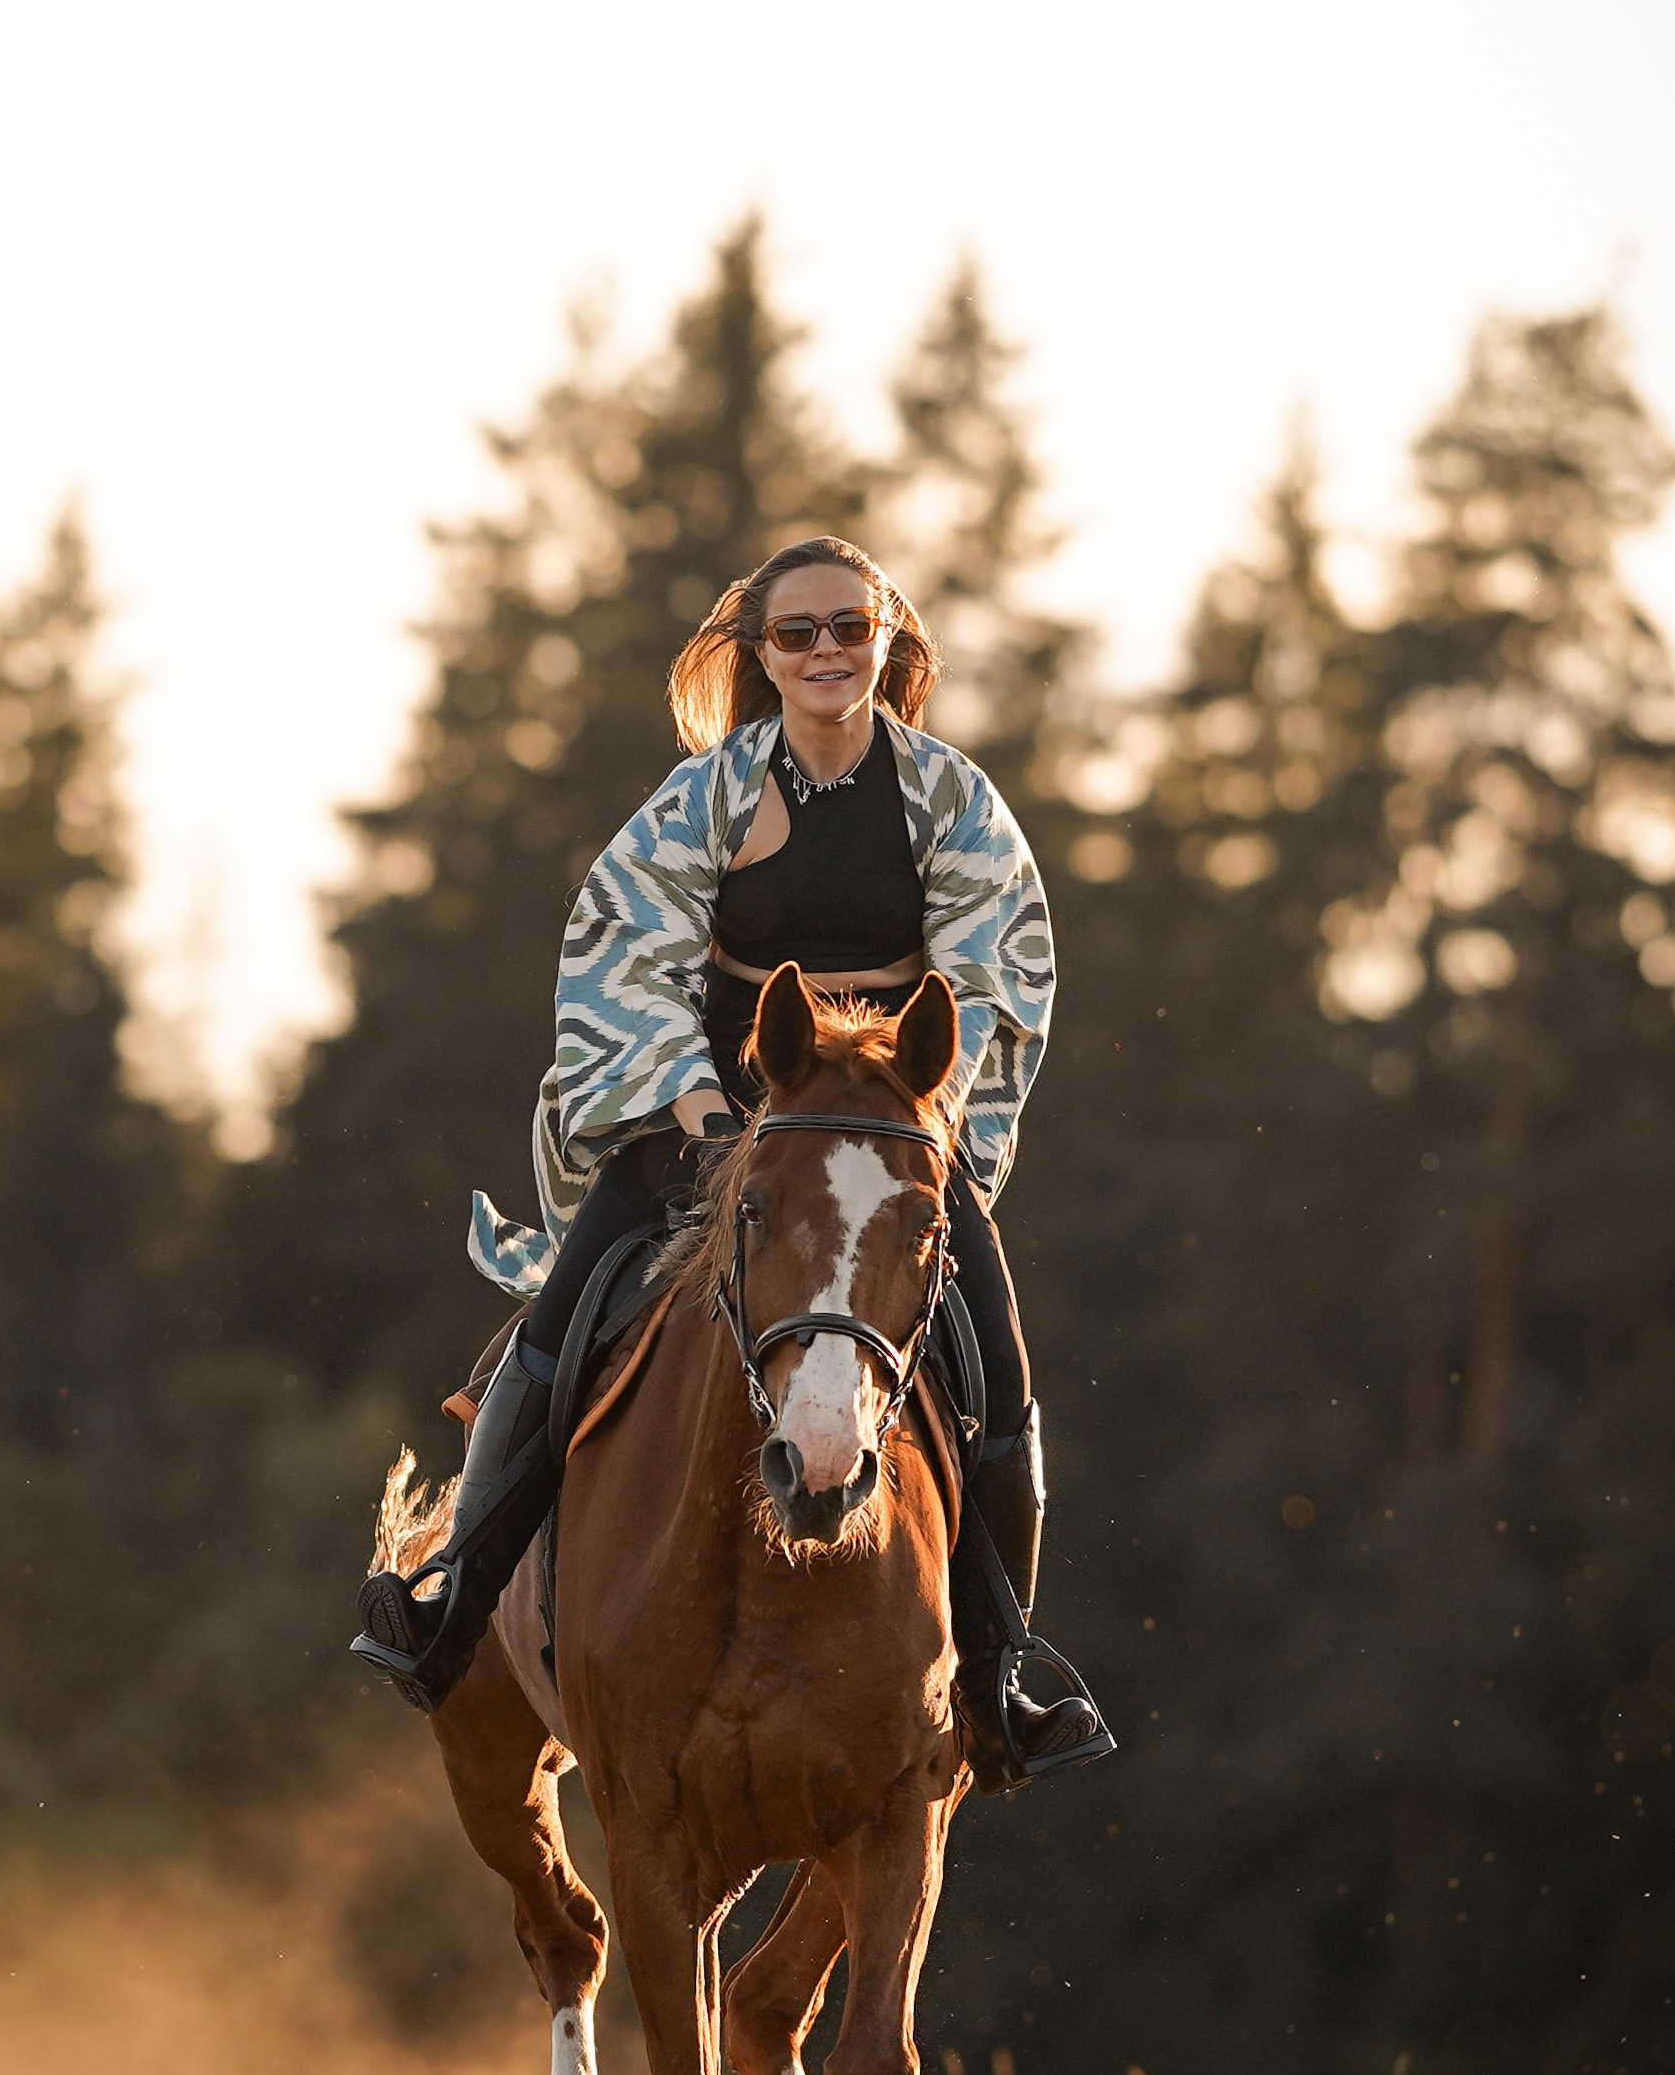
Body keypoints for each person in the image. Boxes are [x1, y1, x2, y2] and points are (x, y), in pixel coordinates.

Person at [351, 536, 1112, 1786]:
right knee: (552, 1334)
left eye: (848, 628)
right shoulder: (701, 798)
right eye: (798, 632)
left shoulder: (955, 803)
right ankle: (451, 1611)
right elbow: (623, 952)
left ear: (887, 642)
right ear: (761, 654)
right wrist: (699, 1103)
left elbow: (995, 978)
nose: (825, 651)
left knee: (1002, 1383)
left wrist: (928, 1123)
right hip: (711, 1113)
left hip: (885, 1128)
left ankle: (997, 1676)